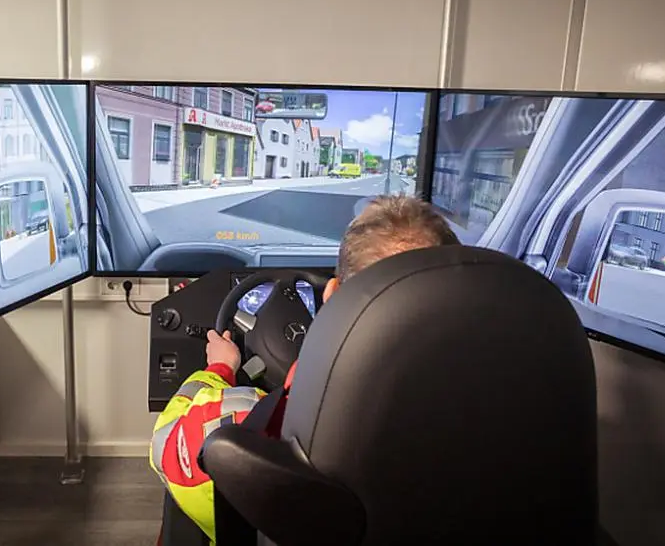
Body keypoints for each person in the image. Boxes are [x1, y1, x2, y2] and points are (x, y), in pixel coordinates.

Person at [149, 195, 461, 543]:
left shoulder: (244, 427)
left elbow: (166, 444)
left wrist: (220, 367)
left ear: (332, 293)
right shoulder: (485, 423)